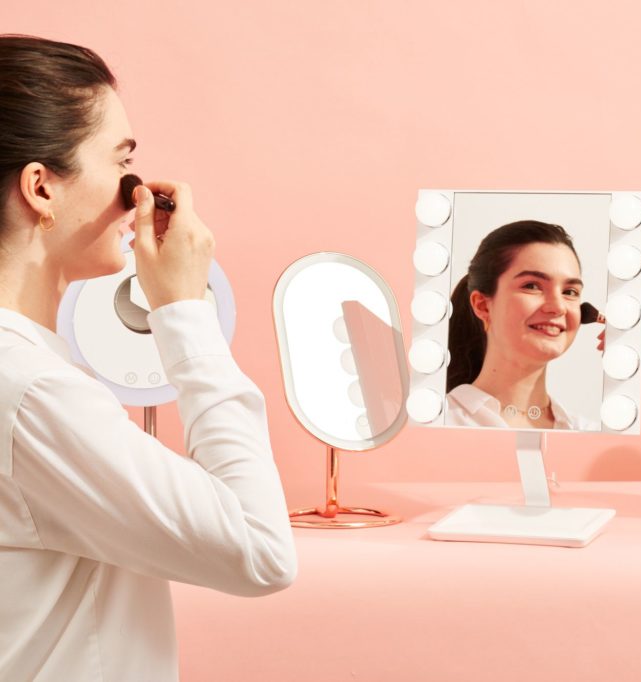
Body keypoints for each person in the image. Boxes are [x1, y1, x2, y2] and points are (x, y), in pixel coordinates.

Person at [0, 36, 296, 681]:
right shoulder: (32, 393)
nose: (139, 193)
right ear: (41, 189)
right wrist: (184, 312)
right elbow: (261, 552)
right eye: (121, 161)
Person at [445, 220, 601, 430]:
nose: (558, 307)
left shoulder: (589, 433)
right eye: (532, 286)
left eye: (569, 292)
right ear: (482, 305)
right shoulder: (436, 421)